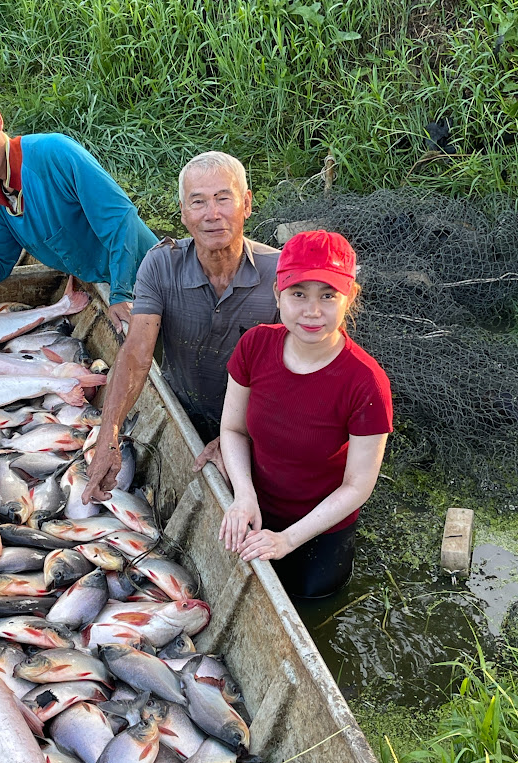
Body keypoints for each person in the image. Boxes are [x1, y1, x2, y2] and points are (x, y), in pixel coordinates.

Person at [82, 151, 280, 504]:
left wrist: (240, 434)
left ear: (247, 204)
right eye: (198, 202)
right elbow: (137, 355)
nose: (212, 214)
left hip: (260, 421)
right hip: (184, 404)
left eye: (223, 198)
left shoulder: (279, 275)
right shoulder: (161, 264)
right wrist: (108, 433)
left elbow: (294, 376)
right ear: (184, 212)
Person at [218, 229, 393, 599]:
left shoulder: (367, 384)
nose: (313, 311)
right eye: (299, 294)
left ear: (349, 299)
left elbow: (357, 486)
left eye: (328, 296)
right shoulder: (255, 344)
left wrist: (286, 540)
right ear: (278, 294)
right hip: (257, 502)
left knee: (314, 597)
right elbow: (232, 430)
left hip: (321, 525)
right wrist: (243, 496)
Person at [0, 89, 158, 331]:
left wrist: (122, 293)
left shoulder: (55, 153)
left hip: (151, 276)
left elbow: (120, 221)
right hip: (105, 285)